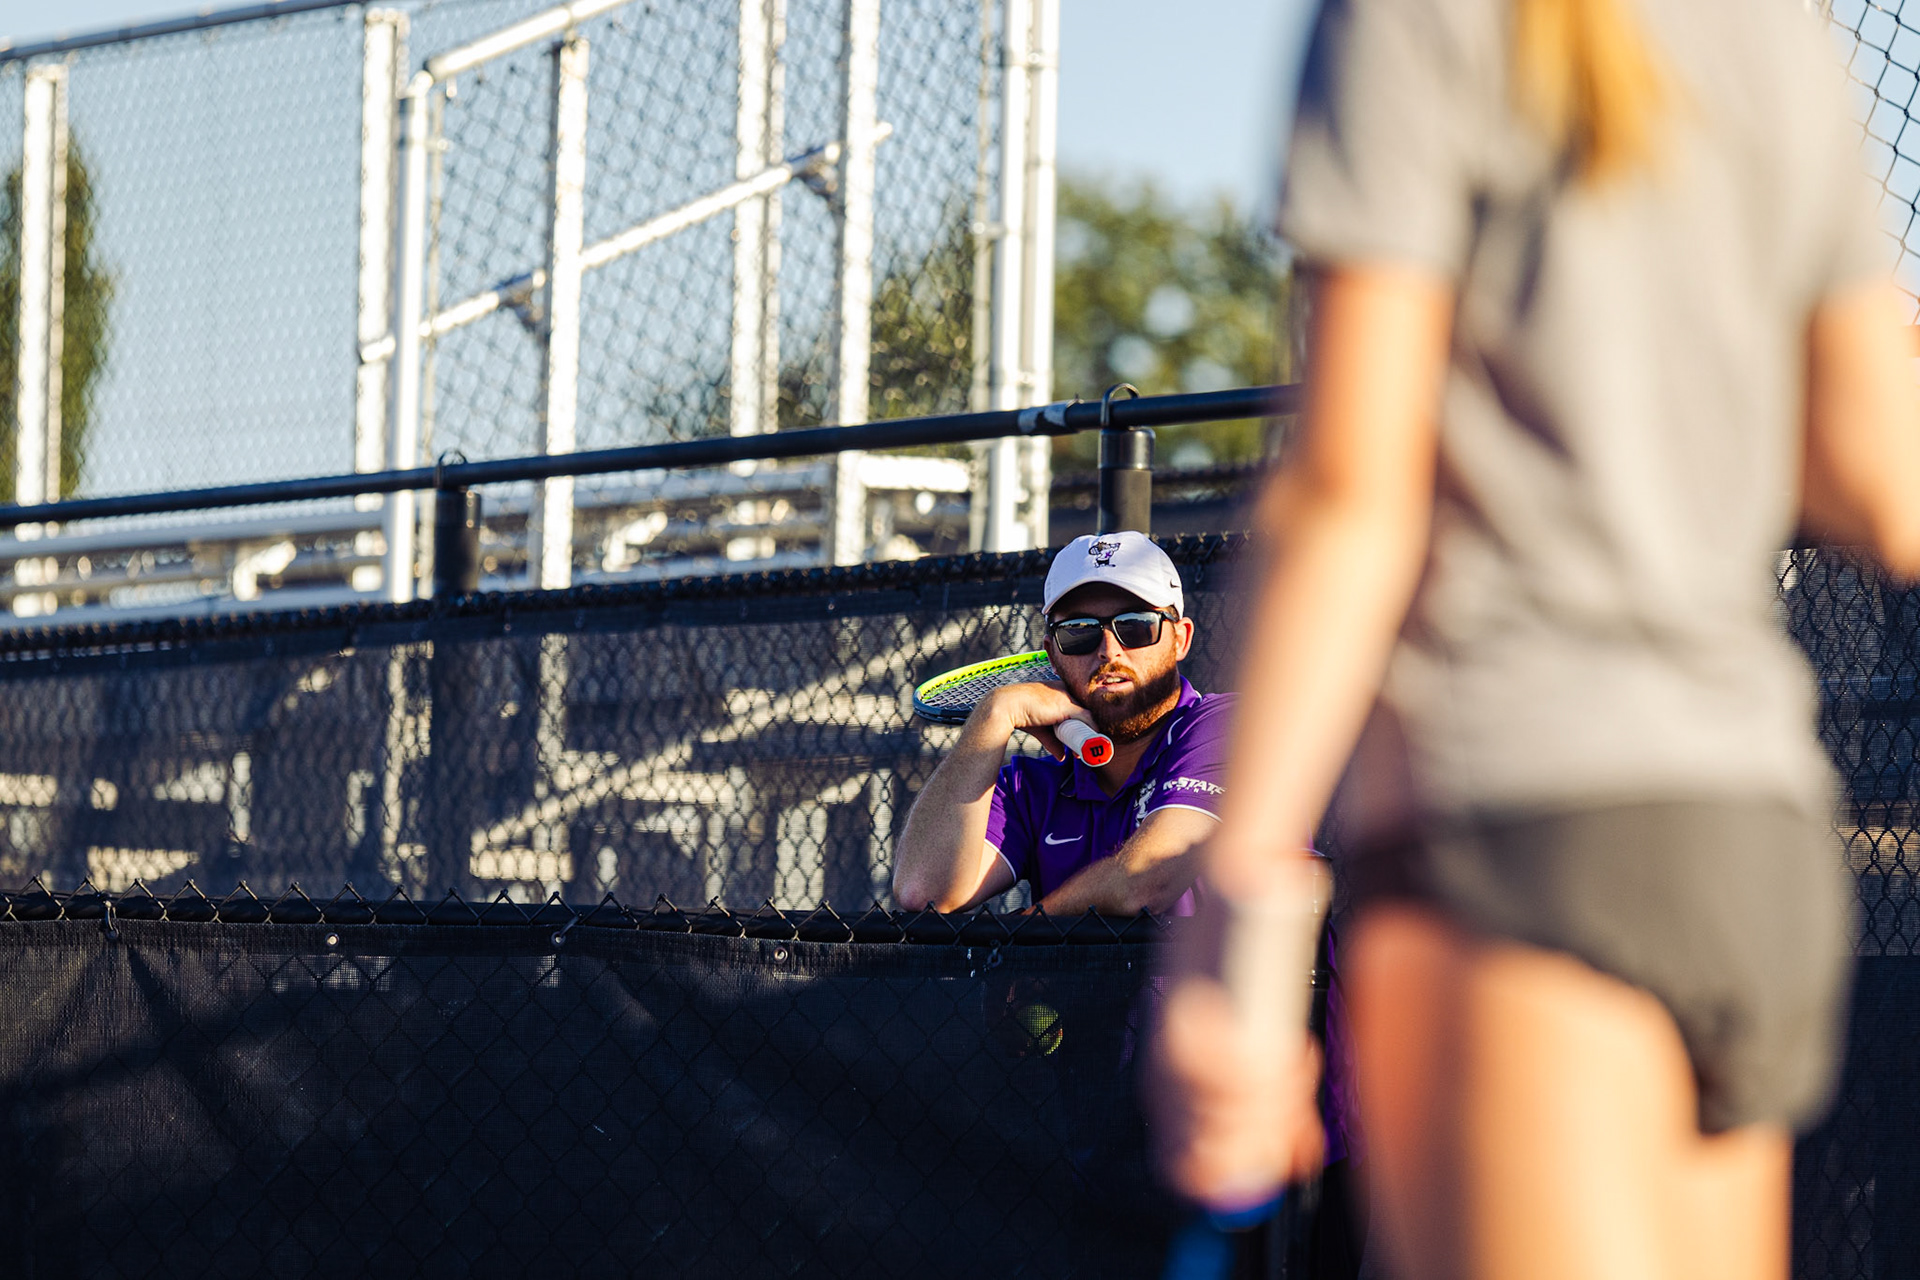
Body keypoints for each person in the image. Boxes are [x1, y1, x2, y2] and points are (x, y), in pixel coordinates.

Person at [1151, 0, 1920, 1278]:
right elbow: (1880, 471)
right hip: (1750, 839)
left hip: (1513, 819)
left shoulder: (1414, 20)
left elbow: (1352, 497)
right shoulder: (1775, 30)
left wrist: (1231, 899)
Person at [891, 531, 1232, 916]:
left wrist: (1028, 933)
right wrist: (994, 713)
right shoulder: (1030, 788)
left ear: (1180, 639)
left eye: (1136, 626)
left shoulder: (1227, 727)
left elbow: (1146, 880)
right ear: (1052, 655)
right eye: (1079, 632)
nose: (1109, 650)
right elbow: (923, 891)